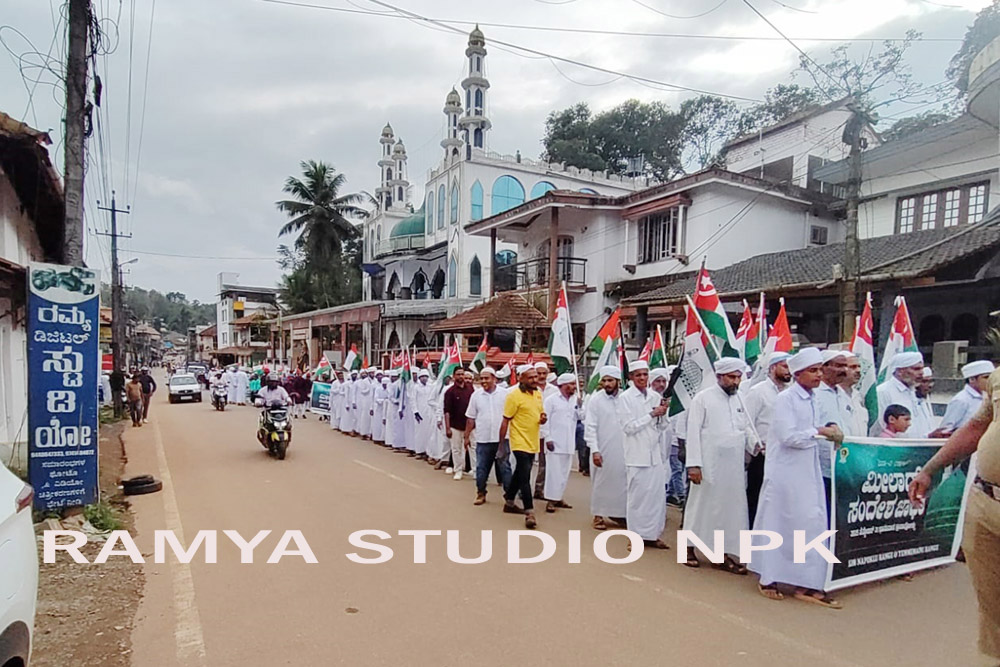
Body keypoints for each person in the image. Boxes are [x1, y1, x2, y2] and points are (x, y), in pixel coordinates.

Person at [908, 366, 1000, 662]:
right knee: (992, 605)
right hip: (985, 502)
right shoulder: (998, 377)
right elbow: (977, 427)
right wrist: (930, 468)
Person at [750, 348, 843, 609]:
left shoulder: (813, 399)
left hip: (808, 472)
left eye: (820, 370)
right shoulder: (786, 399)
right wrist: (819, 432)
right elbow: (788, 436)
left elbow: (817, 429)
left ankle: (807, 582)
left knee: (811, 523)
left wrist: (829, 429)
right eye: (813, 371)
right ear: (798, 374)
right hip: (784, 474)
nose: (818, 375)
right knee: (778, 523)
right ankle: (769, 578)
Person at [683, 357, 754, 572]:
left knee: (728, 509)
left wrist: (757, 446)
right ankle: (688, 547)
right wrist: (693, 464)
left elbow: (746, 427)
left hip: (733, 467)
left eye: (738, 377)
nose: (736, 381)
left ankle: (720, 552)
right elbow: (692, 432)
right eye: (731, 377)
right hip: (708, 464)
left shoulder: (740, 399)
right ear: (719, 376)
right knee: (700, 506)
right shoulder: (703, 399)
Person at [616, 360, 671, 550]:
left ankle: (652, 534)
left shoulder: (655, 396)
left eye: (645, 374)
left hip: (655, 455)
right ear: (631, 377)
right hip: (636, 455)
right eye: (638, 375)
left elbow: (662, 426)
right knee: (637, 499)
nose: (642, 378)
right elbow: (628, 427)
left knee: (656, 498)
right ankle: (635, 536)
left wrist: (663, 413)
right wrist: (651, 414)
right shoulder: (625, 398)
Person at [744, 352, 791, 525]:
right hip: (762, 456)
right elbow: (746, 422)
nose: (789, 370)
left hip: (785, 455)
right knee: (757, 498)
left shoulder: (791, 393)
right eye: (785, 366)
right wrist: (755, 445)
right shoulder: (758, 392)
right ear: (772, 368)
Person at [499, 365, 546, 529]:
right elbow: (505, 420)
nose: (535, 380)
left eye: (536, 377)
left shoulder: (538, 394)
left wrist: (543, 418)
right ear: (521, 378)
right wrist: (501, 445)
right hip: (519, 441)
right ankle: (529, 512)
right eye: (530, 377)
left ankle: (509, 501)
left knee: (520, 472)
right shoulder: (513, 396)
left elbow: (539, 413)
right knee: (525, 476)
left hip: (533, 441)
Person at [585, 366, 627, 530]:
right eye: (604, 380)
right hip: (602, 448)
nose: (607, 384)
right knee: (601, 482)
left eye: (610, 380)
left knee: (621, 482)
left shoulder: (625, 398)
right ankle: (598, 515)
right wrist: (594, 449)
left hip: (623, 449)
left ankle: (618, 514)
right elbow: (590, 426)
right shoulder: (596, 400)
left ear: (618, 381)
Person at [465, 366, 513, 505]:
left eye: (486, 378)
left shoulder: (505, 394)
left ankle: (509, 497)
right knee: (481, 468)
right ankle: (481, 493)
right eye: (481, 378)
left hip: (502, 439)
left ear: (494, 379)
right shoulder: (476, 395)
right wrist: (467, 436)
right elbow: (471, 418)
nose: (484, 381)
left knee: (505, 468)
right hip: (483, 439)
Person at [540, 373, 581, 514]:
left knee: (564, 473)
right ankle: (551, 500)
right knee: (554, 473)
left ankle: (558, 497)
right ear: (563, 385)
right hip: (554, 442)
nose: (574, 387)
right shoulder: (551, 400)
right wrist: (547, 438)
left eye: (574, 384)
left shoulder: (575, 400)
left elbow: (582, 417)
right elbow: (544, 421)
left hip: (569, 442)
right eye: (571, 384)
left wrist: (580, 406)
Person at [815, 350, 851, 509]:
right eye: (839, 366)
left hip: (844, 464)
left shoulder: (843, 394)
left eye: (845, 366)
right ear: (824, 367)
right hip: (820, 466)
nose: (844, 370)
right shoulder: (815, 393)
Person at [873, 352, 929, 437]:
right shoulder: (883, 392)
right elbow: (880, 427)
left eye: (922, 369)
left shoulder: (915, 391)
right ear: (900, 371)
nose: (921, 373)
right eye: (916, 369)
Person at [940, 360, 996, 434]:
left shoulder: (988, 397)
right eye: (986, 377)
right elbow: (945, 430)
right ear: (972, 379)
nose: (990, 381)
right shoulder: (961, 400)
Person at [443, 368, 476, 480]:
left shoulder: (471, 389)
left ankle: (475, 471)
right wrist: (448, 428)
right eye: (458, 374)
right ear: (454, 376)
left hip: (470, 425)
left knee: (473, 448)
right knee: (456, 449)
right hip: (455, 425)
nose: (461, 376)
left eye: (462, 374)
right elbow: (447, 411)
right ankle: (458, 470)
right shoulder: (450, 392)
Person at [839, 352, 870, 438]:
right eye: (853, 367)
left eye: (859, 366)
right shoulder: (833, 395)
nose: (858, 370)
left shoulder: (858, 396)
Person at [412, 369, 436, 461]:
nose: (424, 378)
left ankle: (427, 451)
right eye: (422, 377)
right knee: (419, 432)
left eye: (426, 377)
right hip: (420, 413)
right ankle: (419, 451)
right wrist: (415, 412)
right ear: (419, 378)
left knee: (428, 432)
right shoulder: (416, 387)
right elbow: (413, 400)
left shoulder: (430, 387)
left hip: (429, 412)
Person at [356, 369, 374, 439]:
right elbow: (362, 391)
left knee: (372, 419)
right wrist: (368, 389)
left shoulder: (375, 381)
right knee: (365, 418)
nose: (372, 374)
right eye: (371, 373)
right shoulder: (364, 381)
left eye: (373, 373)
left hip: (373, 401)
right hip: (366, 401)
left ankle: (371, 433)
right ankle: (364, 433)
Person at [372, 372, 388, 444]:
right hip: (379, 409)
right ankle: (377, 438)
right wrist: (383, 401)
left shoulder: (389, 389)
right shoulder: (378, 389)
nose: (385, 386)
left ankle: (383, 439)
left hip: (386, 409)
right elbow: (376, 398)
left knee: (385, 425)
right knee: (378, 424)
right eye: (384, 384)